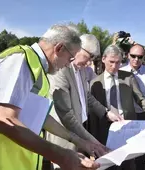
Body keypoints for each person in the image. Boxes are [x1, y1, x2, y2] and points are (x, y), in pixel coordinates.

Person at [0, 18, 99, 170]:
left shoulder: (38, 70)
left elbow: (40, 118)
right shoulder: (20, 60)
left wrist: (77, 140)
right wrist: (60, 155)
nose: (69, 64)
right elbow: (4, 119)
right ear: (59, 48)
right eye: (70, 58)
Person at [47, 34, 120, 169]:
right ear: (79, 48)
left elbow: (86, 96)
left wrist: (106, 113)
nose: (89, 63)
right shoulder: (61, 70)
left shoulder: (82, 70)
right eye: (89, 56)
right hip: (64, 137)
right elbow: (67, 115)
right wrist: (93, 142)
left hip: (80, 131)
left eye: (93, 58)